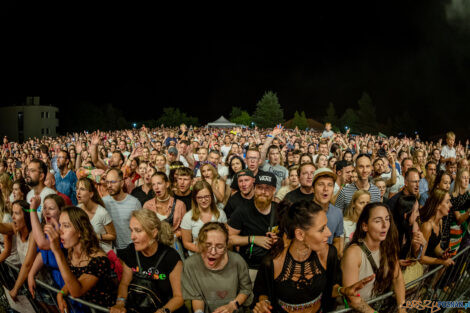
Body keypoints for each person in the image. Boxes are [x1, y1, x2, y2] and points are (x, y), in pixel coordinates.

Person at [253, 200, 374, 313]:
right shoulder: (272, 262)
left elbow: (330, 288)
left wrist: (342, 291)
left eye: (326, 226)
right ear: (300, 234)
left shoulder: (328, 254)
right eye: (322, 229)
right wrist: (264, 302)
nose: (329, 233)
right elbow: (263, 291)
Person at [111, 209, 184, 313]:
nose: (132, 237)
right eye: (131, 230)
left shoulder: (171, 257)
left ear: (154, 233)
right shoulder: (131, 251)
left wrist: (162, 311)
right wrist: (120, 303)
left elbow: (179, 297)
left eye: (138, 231)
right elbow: (124, 284)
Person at [45, 206, 117, 311]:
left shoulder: (99, 260)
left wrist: (57, 252)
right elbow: (74, 280)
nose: (60, 231)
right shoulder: (71, 252)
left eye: (66, 226)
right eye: (60, 225)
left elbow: (76, 291)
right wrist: (60, 293)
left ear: (80, 231)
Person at [342, 203, 406, 312]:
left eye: (387, 219)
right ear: (365, 226)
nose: (385, 225)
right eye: (378, 221)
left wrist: (402, 308)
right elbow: (352, 298)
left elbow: (397, 278)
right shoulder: (353, 253)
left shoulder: (388, 246)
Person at [182, 222, 253, 313]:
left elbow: (246, 289)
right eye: (207, 245)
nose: (213, 252)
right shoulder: (190, 265)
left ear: (226, 246)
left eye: (219, 246)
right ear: (199, 243)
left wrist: (233, 305)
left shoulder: (238, 261)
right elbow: (196, 297)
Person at [228, 172, 279, 282]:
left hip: (274, 266)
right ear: (254, 188)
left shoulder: (280, 210)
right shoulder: (242, 210)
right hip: (249, 267)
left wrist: (277, 240)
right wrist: (254, 239)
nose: (263, 192)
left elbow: (288, 239)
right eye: (260, 187)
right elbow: (229, 238)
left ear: (274, 190)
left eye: (268, 188)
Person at [181, 181, 227, 255]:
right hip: (197, 255)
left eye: (206, 196)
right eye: (200, 197)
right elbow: (186, 243)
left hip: (218, 255)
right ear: (195, 199)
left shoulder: (220, 213)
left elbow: (226, 237)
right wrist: (203, 250)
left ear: (211, 196)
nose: (203, 200)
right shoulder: (188, 217)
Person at [103, 168, 142, 249]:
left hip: (131, 249)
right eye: (107, 182)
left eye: (113, 182)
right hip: (111, 250)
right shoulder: (103, 202)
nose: (109, 185)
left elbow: (141, 228)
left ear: (121, 183)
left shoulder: (134, 203)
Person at [77, 177, 116, 253]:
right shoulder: (78, 209)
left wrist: (97, 236)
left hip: (104, 253)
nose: (78, 192)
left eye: (82, 189)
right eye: (77, 188)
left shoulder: (102, 213)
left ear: (91, 194)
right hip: (87, 252)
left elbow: (113, 235)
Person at [311, 168, 345, 257]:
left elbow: (337, 239)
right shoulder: (303, 211)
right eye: (321, 184)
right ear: (313, 188)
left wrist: (329, 257)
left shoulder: (338, 213)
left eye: (330, 185)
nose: (325, 189)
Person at [419, 189, 455, 267]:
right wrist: (441, 262)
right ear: (438, 205)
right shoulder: (427, 226)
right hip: (420, 270)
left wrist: (442, 253)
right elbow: (420, 258)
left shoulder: (440, 221)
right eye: (447, 202)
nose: (451, 205)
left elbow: (437, 247)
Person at [144, 172, 186, 238]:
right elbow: (145, 229)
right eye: (153, 185)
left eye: (159, 183)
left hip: (174, 244)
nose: (156, 187)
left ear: (167, 184)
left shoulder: (180, 205)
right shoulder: (147, 205)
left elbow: (185, 230)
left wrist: (174, 236)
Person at [448, 168, 470, 256]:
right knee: (448, 259)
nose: (466, 180)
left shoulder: (467, 195)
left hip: (463, 232)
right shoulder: (454, 197)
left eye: (468, 177)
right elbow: (459, 220)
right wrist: (468, 212)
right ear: (458, 179)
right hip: (453, 233)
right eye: (464, 177)